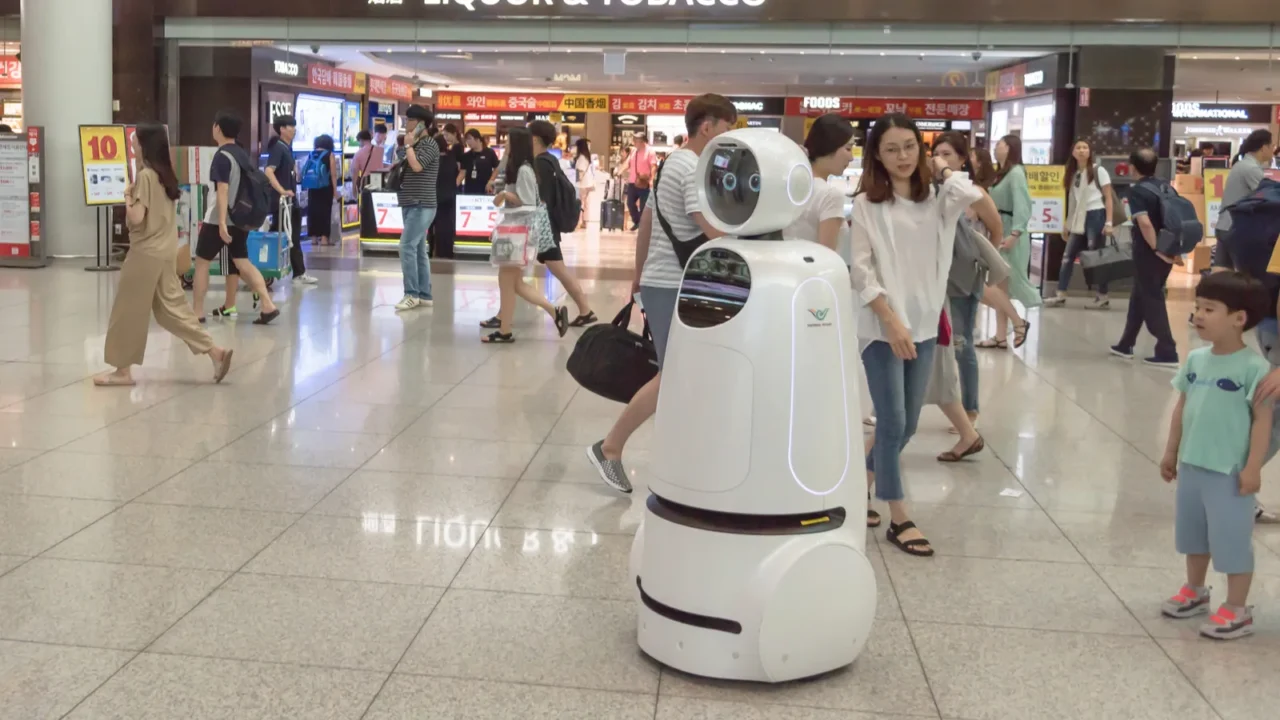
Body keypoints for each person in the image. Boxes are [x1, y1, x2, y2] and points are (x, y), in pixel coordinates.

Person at [587, 93, 739, 493]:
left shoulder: (672, 163)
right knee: (676, 374)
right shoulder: (691, 165)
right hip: (674, 283)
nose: (728, 138)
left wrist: (639, 275)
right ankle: (610, 447)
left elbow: (649, 223)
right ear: (707, 126)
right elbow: (705, 225)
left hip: (663, 280)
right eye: (726, 129)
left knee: (684, 372)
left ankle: (684, 450)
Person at [850, 113, 985, 557]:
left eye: (910, 146)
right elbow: (861, 270)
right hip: (881, 325)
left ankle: (858, 487)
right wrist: (889, 321)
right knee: (891, 422)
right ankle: (900, 516)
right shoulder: (868, 204)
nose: (902, 157)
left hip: (925, 324)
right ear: (876, 155)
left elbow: (975, 195)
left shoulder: (940, 198)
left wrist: (943, 169)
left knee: (907, 423)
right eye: (891, 149)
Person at [1159, 271, 1272, 640]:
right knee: (1195, 535)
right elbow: (1182, 408)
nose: (1199, 315)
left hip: (1229, 471)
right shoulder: (1196, 360)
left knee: (1231, 539)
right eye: (1197, 307)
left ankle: (1237, 608)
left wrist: (1253, 467)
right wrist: (1171, 451)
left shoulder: (1256, 369)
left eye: (1210, 309)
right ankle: (1196, 590)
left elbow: (1261, 423)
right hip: (1193, 464)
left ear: (1239, 318)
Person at [95, 123, 234, 387]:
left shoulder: (146, 176)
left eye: (135, 141)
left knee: (127, 311)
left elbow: (137, 217)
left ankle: (122, 372)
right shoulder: (164, 175)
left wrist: (127, 196)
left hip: (145, 254)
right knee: (171, 310)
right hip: (165, 251)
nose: (132, 146)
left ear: (145, 145)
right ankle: (215, 352)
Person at [930, 131, 1007, 454]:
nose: (941, 160)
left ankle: (971, 408)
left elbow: (996, 228)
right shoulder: (933, 191)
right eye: (937, 153)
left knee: (962, 345)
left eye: (948, 154)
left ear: (962, 159)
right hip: (939, 277)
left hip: (963, 277)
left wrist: (979, 257)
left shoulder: (971, 191)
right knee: (947, 344)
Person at [191, 111, 279, 325]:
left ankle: (197, 312)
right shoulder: (241, 153)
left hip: (219, 220)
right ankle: (268, 304)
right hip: (241, 219)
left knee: (202, 263)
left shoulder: (222, 156)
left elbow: (222, 190)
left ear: (218, 129)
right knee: (242, 262)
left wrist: (221, 223)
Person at [483, 126, 567, 343]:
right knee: (515, 284)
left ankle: (505, 331)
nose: (505, 145)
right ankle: (554, 312)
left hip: (517, 234)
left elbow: (527, 202)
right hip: (515, 232)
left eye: (508, 141)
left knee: (507, 282)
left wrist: (504, 194)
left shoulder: (524, 170)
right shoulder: (519, 167)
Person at [1110, 148, 1180, 368]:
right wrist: (1170, 251)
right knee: (1140, 296)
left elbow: (1145, 223)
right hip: (1168, 249)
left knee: (1152, 298)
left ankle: (1167, 350)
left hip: (1150, 252)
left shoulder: (1138, 191)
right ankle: (1126, 344)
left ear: (1132, 167)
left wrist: (1156, 249)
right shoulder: (1166, 186)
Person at [525, 120, 594, 324]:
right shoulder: (550, 160)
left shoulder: (541, 164)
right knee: (557, 270)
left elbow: (542, 199)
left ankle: (585, 310)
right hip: (549, 226)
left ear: (535, 139)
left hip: (544, 229)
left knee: (559, 270)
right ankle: (585, 310)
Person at [979, 135, 1038, 349]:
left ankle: (1018, 323)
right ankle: (1001, 335)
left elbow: (1023, 205)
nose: (996, 148)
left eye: (1000, 145)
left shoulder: (1016, 173)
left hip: (1010, 233)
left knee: (998, 283)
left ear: (1010, 148)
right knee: (1000, 286)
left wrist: (1015, 233)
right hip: (1000, 230)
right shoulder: (1002, 174)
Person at [1046, 139, 1115, 308]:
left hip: (1096, 215)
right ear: (1073, 152)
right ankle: (1060, 294)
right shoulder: (1074, 173)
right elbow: (1073, 201)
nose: (1082, 150)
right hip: (1079, 218)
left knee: (1096, 257)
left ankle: (1103, 296)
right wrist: (1067, 223)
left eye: (1085, 147)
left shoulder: (1099, 171)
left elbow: (1108, 197)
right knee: (1067, 256)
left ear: (1090, 151)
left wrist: (1109, 222)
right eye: (1078, 147)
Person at [786, 113, 853, 261]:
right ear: (830, 145)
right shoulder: (830, 195)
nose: (852, 157)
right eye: (848, 149)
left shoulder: (788, 187)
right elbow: (826, 259)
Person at [393, 104, 440, 311]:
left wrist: (409, 147)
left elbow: (417, 166)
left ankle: (411, 293)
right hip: (409, 202)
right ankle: (424, 294)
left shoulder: (429, 144)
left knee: (406, 246)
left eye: (411, 122)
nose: (407, 125)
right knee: (419, 249)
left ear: (422, 124)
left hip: (422, 204)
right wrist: (407, 147)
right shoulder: (414, 143)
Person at [262, 114, 317, 286]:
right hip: (283, 202)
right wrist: (282, 191)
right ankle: (297, 273)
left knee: (284, 235)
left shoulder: (286, 148)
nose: (293, 129)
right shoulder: (278, 148)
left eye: (294, 126)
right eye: (289, 126)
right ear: (281, 129)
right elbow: (268, 171)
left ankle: (266, 268)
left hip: (289, 202)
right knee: (289, 236)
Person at [1213, 130, 1273, 275]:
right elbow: (1269, 196)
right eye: (1272, 146)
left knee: (1221, 272)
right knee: (1246, 274)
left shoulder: (1241, 165)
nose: (1273, 151)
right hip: (1237, 228)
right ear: (1264, 147)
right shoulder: (1251, 169)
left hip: (1225, 224)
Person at [302, 134, 340, 246]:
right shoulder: (329, 154)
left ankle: (313, 238)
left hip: (312, 187)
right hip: (325, 187)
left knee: (313, 211)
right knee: (325, 212)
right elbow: (333, 174)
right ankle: (324, 239)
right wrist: (335, 190)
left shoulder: (311, 154)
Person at [431, 125, 461, 259]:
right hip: (450, 197)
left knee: (433, 227)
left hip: (435, 198)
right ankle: (447, 252)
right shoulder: (451, 159)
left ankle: (433, 251)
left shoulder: (433, 162)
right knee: (447, 226)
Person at [625, 135, 656, 230]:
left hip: (644, 182)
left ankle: (643, 225)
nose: (634, 143)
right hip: (632, 181)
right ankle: (637, 221)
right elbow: (628, 163)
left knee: (644, 206)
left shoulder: (650, 151)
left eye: (636, 141)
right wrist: (620, 171)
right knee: (630, 203)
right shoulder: (633, 151)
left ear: (642, 141)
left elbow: (653, 166)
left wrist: (652, 179)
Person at [461, 129, 500, 196]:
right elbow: (462, 173)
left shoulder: (489, 153)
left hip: (486, 189)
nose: (468, 142)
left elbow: (497, 168)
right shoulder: (466, 156)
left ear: (477, 139)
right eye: (466, 140)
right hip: (469, 191)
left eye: (470, 139)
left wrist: (491, 181)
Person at [574, 139, 595, 230]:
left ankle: (579, 221)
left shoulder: (581, 157)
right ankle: (584, 221)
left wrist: (578, 180)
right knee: (585, 203)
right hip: (588, 182)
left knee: (581, 203)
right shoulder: (587, 157)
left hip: (583, 183)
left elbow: (580, 171)